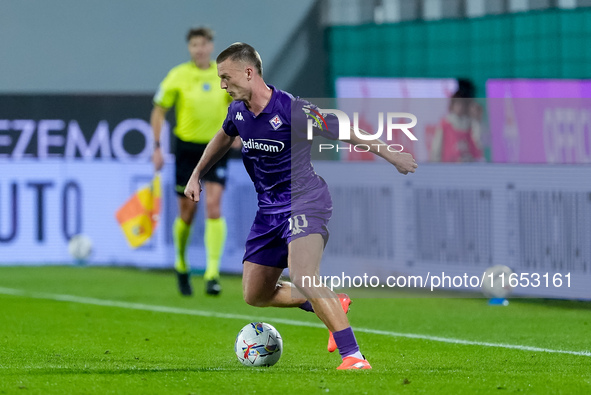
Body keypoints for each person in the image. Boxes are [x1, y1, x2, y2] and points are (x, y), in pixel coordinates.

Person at [184, 43, 417, 369]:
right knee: (255, 294)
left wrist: (391, 155)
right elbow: (223, 137)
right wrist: (197, 174)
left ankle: (354, 356)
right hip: (268, 211)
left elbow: (345, 130)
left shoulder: (292, 110)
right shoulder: (237, 111)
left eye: (226, 76)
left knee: (305, 275)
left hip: (305, 202)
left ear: (249, 72)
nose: (223, 84)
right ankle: (332, 301)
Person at [151, 27, 232, 296]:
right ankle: (181, 263)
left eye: (204, 44)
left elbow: (240, 103)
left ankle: (212, 274)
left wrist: (241, 132)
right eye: (195, 44)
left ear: (211, 46)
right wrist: (157, 147)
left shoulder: (222, 74)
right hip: (187, 148)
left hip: (217, 146)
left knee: (213, 204)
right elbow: (159, 110)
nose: (199, 49)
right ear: (190, 48)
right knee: (187, 211)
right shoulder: (178, 75)